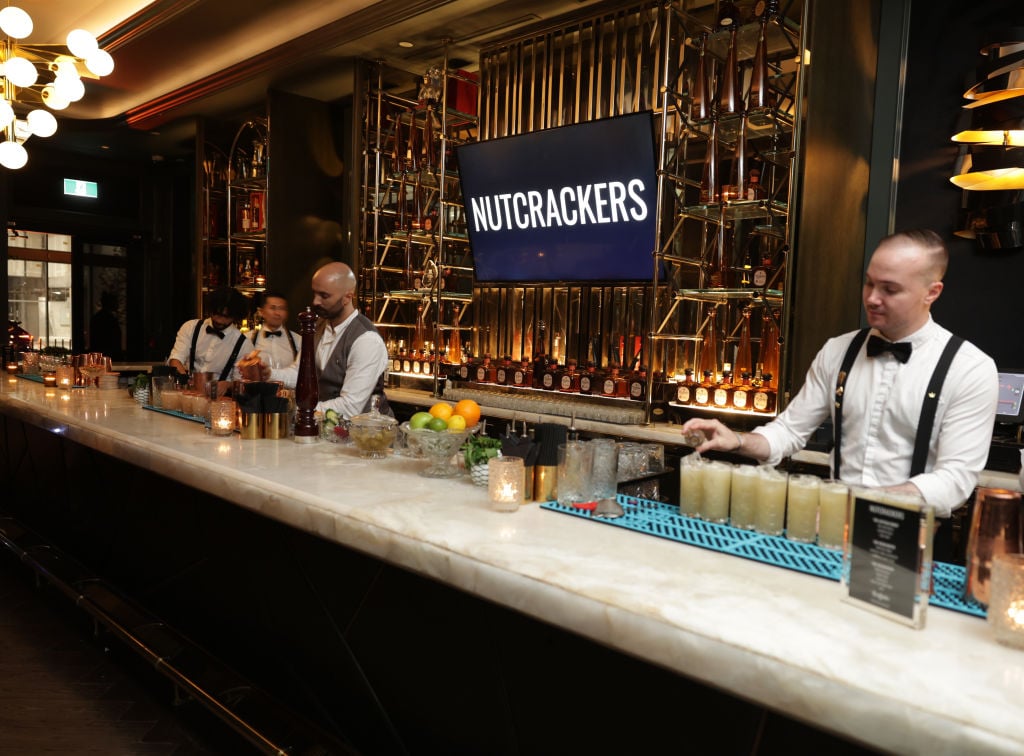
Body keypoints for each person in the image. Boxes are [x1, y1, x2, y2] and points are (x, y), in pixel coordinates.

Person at [681, 229, 999, 560]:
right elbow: (789, 431)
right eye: (869, 283)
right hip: (833, 535)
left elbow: (954, 480)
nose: (873, 298)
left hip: (914, 545)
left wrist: (861, 506)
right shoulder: (838, 351)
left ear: (931, 293)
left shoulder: (970, 369)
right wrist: (739, 441)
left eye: (890, 289)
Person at [256, 262, 390, 419]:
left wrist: (294, 409)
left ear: (347, 297)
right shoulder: (317, 326)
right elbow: (300, 373)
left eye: (324, 296)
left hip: (366, 436)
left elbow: (350, 406)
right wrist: (268, 374)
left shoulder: (366, 340)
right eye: (315, 293)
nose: (315, 302)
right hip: (326, 431)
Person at [166, 287, 250, 380]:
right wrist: (184, 380)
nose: (219, 320)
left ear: (235, 316)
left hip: (221, 394)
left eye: (226, 316)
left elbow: (239, 381)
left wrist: (226, 386)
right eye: (217, 313)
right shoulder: (191, 328)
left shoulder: (244, 344)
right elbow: (176, 359)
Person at [242, 290, 300, 369]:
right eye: (273, 308)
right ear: (261, 312)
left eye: (282, 308)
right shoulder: (247, 339)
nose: (277, 313)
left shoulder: (298, 341)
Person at [88, 291, 122, 359]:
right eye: (116, 301)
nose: (118, 304)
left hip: (99, 356)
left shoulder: (97, 318)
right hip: (108, 357)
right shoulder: (110, 319)